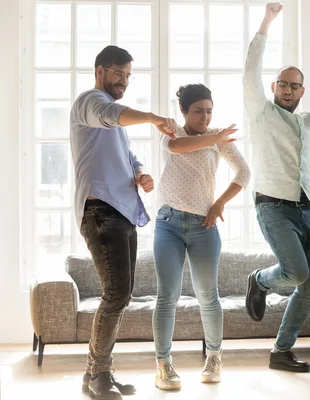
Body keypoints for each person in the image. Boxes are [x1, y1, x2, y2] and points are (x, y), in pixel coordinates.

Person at [243, 2, 310, 372]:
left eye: (295, 85)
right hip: (272, 205)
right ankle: (258, 279)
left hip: (306, 207)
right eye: (283, 84)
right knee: (297, 273)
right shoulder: (261, 112)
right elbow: (249, 69)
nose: (288, 89)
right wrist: (268, 21)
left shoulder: (307, 121)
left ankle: (281, 351)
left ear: (302, 91)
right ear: (274, 87)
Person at [71, 45, 176, 399]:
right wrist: (153, 117)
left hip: (122, 210)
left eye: (129, 75)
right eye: (119, 74)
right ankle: (99, 375)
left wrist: (141, 172)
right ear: (100, 70)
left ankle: (96, 374)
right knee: (115, 294)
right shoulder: (90, 102)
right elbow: (111, 114)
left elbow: (126, 154)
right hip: (99, 211)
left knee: (121, 294)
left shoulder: (115, 119)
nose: (124, 81)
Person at [152, 83, 250, 390]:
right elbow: (177, 149)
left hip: (203, 226)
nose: (205, 117)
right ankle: (164, 366)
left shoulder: (218, 138)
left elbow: (244, 173)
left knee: (208, 296)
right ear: (183, 111)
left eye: (209, 112)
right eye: (198, 111)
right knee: (167, 296)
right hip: (168, 223)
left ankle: (214, 358)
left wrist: (219, 202)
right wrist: (215, 138)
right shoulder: (171, 132)